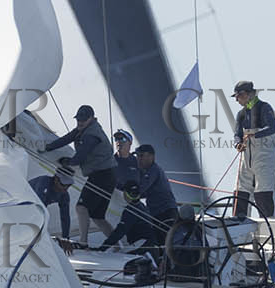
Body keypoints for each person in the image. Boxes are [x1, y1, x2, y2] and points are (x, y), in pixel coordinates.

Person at [43, 105, 117, 245]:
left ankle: (83, 243)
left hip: (102, 175)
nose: (80, 122)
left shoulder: (91, 135)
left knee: (81, 207)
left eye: (83, 119)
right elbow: (67, 138)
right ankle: (117, 245)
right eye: (78, 119)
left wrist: (66, 161)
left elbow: (80, 157)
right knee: (97, 216)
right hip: (107, 175)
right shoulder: (83, 129)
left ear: (91, 119)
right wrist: (49, 147)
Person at [98, 144, 178, 254]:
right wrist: (116, 184)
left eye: (141, 156)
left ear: (151, 156)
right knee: (161, 244)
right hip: (156, 213)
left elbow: (139, 190)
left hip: (165, 212)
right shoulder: (145, 173)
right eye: (137, 156)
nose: (138, 159)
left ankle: (166, 266)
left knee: (166, 244)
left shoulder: (153, 170)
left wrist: (102, 248)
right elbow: (136, 190)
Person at [231, 81, 275, 220]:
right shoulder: (241, 114)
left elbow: (273, 129)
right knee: (241, 191)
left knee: (263, 192)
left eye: (239, 95)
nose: (237, 99)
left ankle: (269, 223)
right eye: (236, 96)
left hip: (264, 157)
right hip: (246, 158)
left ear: (250, 94)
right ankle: (238, 223)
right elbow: (237, 134)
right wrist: (238, 144)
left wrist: (255, 135)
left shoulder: (264, 108)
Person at [29, 160, 77, 253]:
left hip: (34, 210)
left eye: (69, 185)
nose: (65, 188)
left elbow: (65, 217)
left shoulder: (64, 195)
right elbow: (39, 210)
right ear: (56, 179)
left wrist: (65, 238)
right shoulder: (44, 183)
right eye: (63, 184)